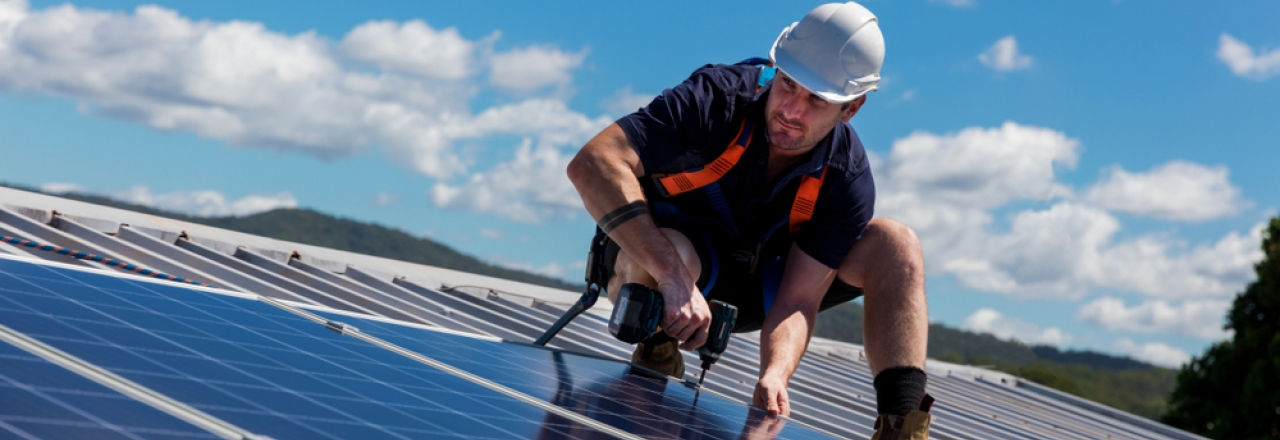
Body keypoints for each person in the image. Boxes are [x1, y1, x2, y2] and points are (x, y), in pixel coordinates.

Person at [566, 2, 931, 438]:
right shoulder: (715, 99)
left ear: (850, 110)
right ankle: (657, 349)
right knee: (679, 257)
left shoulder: (846, 179)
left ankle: (902, 428)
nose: (792, 110)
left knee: (896, 243)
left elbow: (798, 300)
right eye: (789, 84)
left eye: (817, 100)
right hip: (653, 264)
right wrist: (672, 277)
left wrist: (776, 373)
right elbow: (593, 162)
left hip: (750, 287)